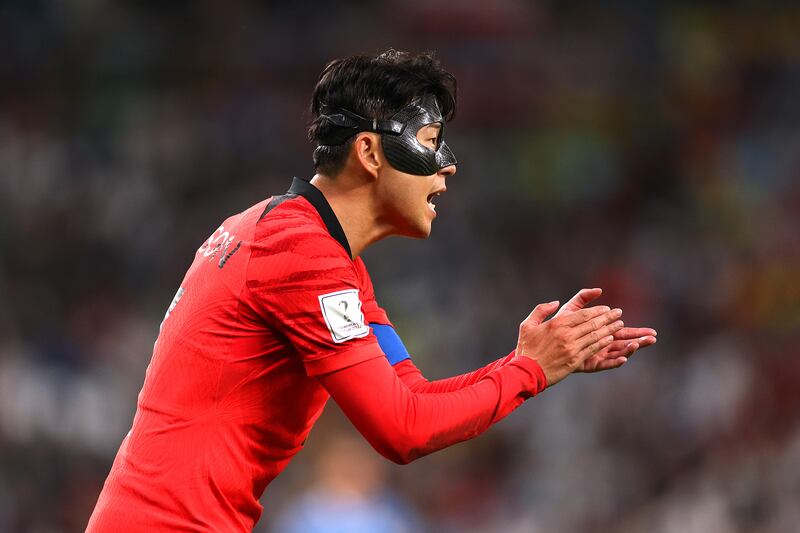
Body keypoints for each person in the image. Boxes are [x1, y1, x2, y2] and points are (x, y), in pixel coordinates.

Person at [86, 50, 657, 532]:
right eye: (432, 140)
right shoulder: (300, 254)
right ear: (369, 152)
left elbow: (413, 399)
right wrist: (530, 371)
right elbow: (400, 432)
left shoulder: (304, 245)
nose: (447, 167)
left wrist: (525, 360)